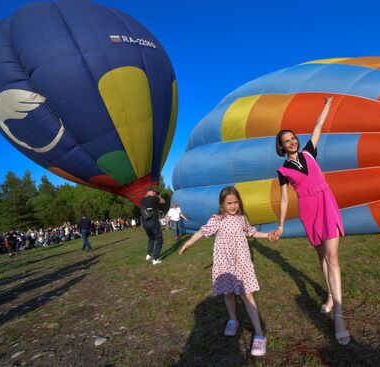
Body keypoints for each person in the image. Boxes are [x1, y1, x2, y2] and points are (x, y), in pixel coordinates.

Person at [272, 96, 351, 345]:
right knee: (322, 257)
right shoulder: (283, 171)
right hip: (309, 210)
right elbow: (284, 199)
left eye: (293, 138)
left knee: (333, 257)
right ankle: (329, 295)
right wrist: (282, 224)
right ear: (282, 147)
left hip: (326, 203)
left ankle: (338, 315)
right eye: (287, 141)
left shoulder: (309, 152)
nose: (292, 142)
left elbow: (318, 127)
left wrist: (326, 106)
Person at [179, 186, 276, 357]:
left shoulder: (242, 218)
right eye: (229, 203)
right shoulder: (217, 219)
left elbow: (252, 232)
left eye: (236, 202)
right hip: (224, 264)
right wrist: (189, 243)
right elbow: (202, 231)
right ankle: (233, 320)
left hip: (241, 263)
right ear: (222, 204)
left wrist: (267, 235)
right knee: (228, 294)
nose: (233, 206)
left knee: (247, 295)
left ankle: (260, 334)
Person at [140, 187, 165, 265]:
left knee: (151, 238)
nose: (155, 193)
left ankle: (148, 254)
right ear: (150, 192)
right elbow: (163, 201)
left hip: (145, 223)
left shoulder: (141, 199)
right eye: (154, 191)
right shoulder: (154, 198)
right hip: (153, 222)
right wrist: (158, 197)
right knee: (159, 238)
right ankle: (155, 259)